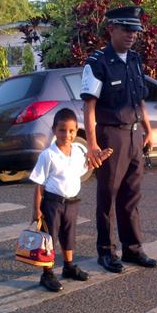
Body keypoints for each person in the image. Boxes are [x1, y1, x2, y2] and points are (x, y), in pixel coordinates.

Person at [80, 6, 157, 274]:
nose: (131, 35)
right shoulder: (97, 62)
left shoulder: (135, 60)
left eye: (135, 31)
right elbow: (89, 105)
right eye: (126, 29)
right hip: (111, 135)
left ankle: (132, 249)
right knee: (108, 196)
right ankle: (105, 252)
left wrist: (148, 129)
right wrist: (92, 144)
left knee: (131, 196)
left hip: (135, 134)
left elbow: (139, 99)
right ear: (111, 29)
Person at [29, 108, 112, 292]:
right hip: (52, 203)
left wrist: (99, 159)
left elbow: (84, 168)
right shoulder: (48, 155)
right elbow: (39, 184)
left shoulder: (78, 152)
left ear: (76, 131)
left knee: (69, 236)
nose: (67, 135)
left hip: (72, 202)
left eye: (72, 131)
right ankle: (47, 274)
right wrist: (37, 209)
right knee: (49, 239)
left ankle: (68, 266)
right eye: (62, 130)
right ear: (54, 130)